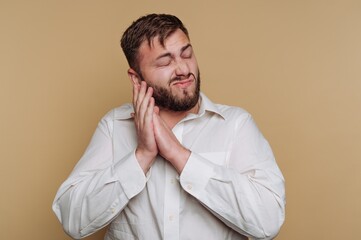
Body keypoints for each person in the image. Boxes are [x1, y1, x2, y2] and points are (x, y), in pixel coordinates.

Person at [52, 13, 285, 240]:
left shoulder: (236, 125)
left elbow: (268, 222)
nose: (184, 69)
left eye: (187, 54)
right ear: (136, 78)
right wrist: (141, 156)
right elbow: (73, 220)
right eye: (165, 62)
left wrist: (178, 155)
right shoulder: (114, 126)